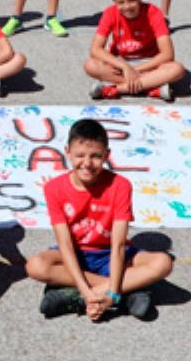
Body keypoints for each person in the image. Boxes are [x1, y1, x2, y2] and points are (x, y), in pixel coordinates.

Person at [24, 119, 173, 320]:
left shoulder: (120, 185)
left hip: (109, 253)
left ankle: (81, 295)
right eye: (79, 155)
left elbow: (118, 245)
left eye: (96, 156)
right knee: (35, 266)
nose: (87, 163)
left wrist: (109, 294)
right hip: (76, 253)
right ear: (67, 152)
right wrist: (91, 292)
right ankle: (125, 289)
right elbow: (65, 244)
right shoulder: (54, 188)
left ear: (107, 155)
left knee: (163, 262)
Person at [85, 0, 186, 101]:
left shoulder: (153, 13)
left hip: (149, 63)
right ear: (114, 1)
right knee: (90, 65)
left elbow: (167, 54)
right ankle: (150, 87)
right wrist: (125, 67)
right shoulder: (110, 13)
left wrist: (134, 71)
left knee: (177, 69)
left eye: (131, 0)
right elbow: (95, 49)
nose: (127, 7)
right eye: (121, 2)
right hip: (121, 62)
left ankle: (116, 88)